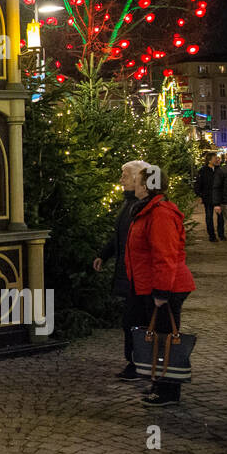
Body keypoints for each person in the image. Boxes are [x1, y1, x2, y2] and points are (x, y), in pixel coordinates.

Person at [124, 163, 196, 406]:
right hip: (151, 284)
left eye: (139, 181)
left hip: (166, 287)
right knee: (159, 337)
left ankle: (168, 391)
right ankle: (160, 384)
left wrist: (161, 292)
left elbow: (164, 255)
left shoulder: (160, 213)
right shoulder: (148, 209)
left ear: (146, 186)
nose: (134, 184)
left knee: (166, 338)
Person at [94, 161, 148, 379]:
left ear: (138, 179)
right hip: (129, 272)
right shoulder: (129, 204)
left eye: (125, 176)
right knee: (131, 319)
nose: (121, 179)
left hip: (137, 274)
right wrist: (103, 254)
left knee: (135, 320)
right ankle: (135, 361)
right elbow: (120, 236)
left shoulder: (140, 205)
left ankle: (138, 363)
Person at [194, 152, 222, 242]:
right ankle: (212, 235)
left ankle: (221, 234)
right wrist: (199, 195)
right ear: (209, 160)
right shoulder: (203, 171)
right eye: (215, 158)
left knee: (221, 217)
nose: (217, 160)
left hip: (218, 196)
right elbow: (198, 184)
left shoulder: (219, 170)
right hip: (208, 196)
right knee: (209, 216)